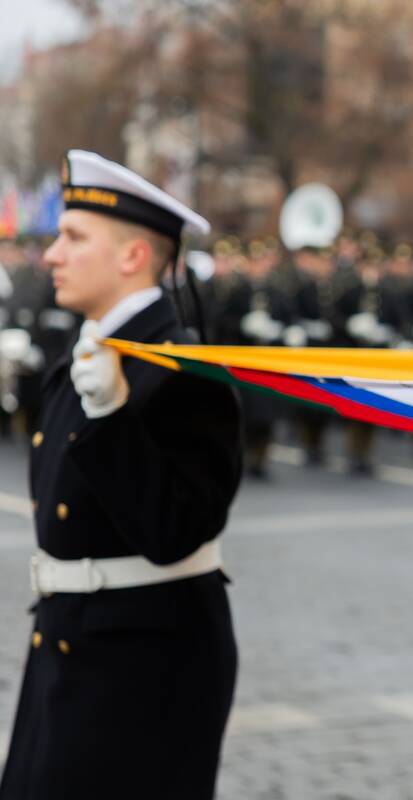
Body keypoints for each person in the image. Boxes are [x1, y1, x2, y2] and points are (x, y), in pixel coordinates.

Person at [0, 150, 242, 800]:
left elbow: (176, 528)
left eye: (73, 238)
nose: (52, 254)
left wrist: (110, 417)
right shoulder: (84, 352)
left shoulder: (185, 367)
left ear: (133, 256)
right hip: (68, 639)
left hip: (146, 660)